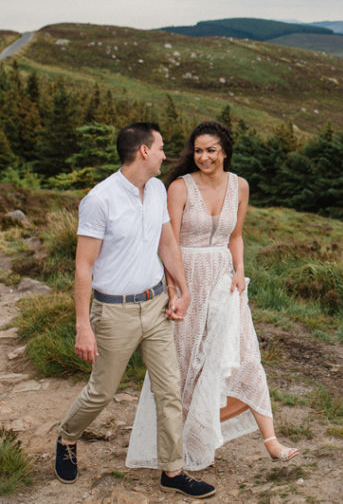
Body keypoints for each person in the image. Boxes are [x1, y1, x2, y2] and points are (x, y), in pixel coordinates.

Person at [54, 122, 215, 499]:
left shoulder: (157, 189)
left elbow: (167, 244)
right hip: (114, 314)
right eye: (160, 147)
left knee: (169, 390)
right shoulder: (100, 199)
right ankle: (67, 437)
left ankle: (173, 471)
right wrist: (83, 326)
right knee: (102, 391)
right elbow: (83, 267)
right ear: (143, 151)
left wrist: (184, 290)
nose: (165, 154)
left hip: (157, 305)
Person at [126, 120, 299, 471]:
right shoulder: (179, 187)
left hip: (224, 281)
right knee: (187, 364)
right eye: (198, 150)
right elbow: (168, 241)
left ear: (225, 152)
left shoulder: (241, 186)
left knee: (246, 357)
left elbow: (236, 235)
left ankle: (271, 441)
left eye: (211, 150)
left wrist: (239, 269)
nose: (203, 156)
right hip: (187, 279)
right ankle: (186, 442)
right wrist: (174, 290)